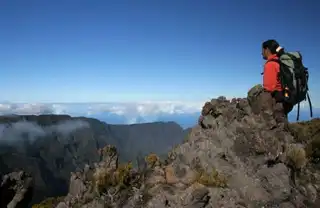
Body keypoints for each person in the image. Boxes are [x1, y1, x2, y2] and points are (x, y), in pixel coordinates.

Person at [260, 39, 293, 122]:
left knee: (280, 129)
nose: (261, 53)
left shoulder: (270, 64)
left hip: (278, 103)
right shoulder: (280, 62)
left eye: (262, 50)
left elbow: (268, 89)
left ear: (267, 49)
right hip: (287, 100)